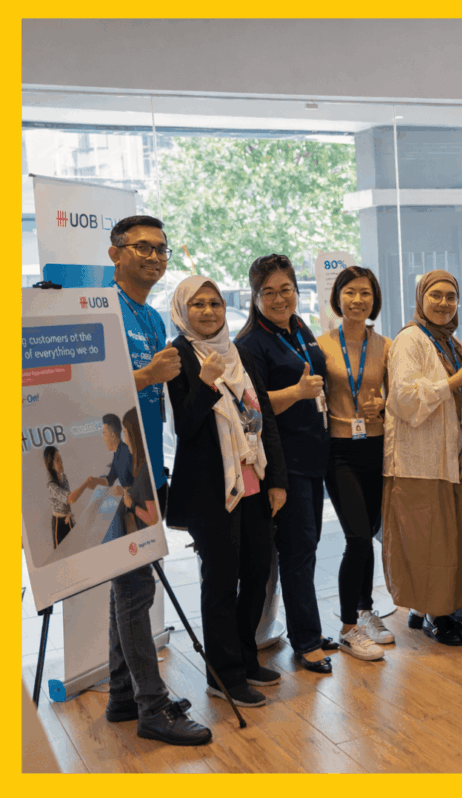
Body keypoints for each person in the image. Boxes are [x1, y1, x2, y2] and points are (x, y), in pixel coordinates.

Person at [103, 215, 210, 745]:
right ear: (115, 253)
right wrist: (147, 376)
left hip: (151, 467)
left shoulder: (147, 316)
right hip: (122, 473)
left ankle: (123, 694)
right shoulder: (100, 312)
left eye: (161, 248)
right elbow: (88, 395)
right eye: (142, 247)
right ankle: (152, 707)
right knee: (136, 587)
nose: (154, 256)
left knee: (127, 588)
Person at [167, 275, 288, 706]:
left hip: (253, 480)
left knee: (257, 573)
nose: (207, 311)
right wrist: (204, 381)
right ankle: (223, 675)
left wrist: (277, 482)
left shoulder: (238, 351)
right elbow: (184, 426)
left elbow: (264, 417)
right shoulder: (178, 355)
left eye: (214, 303)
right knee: (220, 583)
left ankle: (246, 656)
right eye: (197, 304)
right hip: (210, 490)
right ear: (183, 309)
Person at [236, 254, 337, 674]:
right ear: (255, 297)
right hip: (284, 463)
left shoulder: (299, 328)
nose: (280, 299)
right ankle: (307, 641)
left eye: (286, 290)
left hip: (315, 457)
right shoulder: (250, 345)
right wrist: (296, 392)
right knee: (297, 552)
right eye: (269, 293)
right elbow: (250, 409)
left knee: (308, 550)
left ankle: (305, 627)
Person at [382, 269, 462, 646]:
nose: (443, 303)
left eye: (451, 297)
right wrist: (454, 382)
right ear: (421, 299)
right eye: (435, 295)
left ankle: (425, 608)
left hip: (447, 459)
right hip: (416, 460)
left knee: (443, 541)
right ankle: (437, 617)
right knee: (424, 541)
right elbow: (405, 400)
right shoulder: (410, 340)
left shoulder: (453, 346)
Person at [318, 267, 393, 661]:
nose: (358, 300)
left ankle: (366, 612)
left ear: (374, 299)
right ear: (338, 298)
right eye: (350, 292)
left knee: (371, 534)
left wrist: (382, 403)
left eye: (365, 293)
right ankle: (348, 627)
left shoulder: (386, 345)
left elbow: (396, 396)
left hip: (377, 447)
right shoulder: (320, 345)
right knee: (358, 538)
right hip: (339, 450)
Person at [42, 446, 96, 548]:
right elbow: (71, 499)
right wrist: (86, 483)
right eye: (57, 459)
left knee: (77, 549)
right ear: (51, 465)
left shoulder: (64, 477)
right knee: (63, 555)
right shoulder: (51, 486)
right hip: (59, 524)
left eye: (60, 457)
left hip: (68, 519)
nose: (61, 461)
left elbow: (69, 500)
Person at [92, 413, 134, 543]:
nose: (103, 438)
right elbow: (110, 478)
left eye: (104, 433)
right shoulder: (117, 454)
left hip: (134, 506)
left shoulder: (126, 453)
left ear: (113, 435)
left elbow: (139, 482)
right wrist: (95, 481)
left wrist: (123, 490)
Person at [121, 408, 158, 532]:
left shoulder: (145, 470)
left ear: (134, 434)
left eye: (125, 434)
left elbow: (153, 519)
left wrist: (131, 504)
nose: (125, 441)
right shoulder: (143, 465)